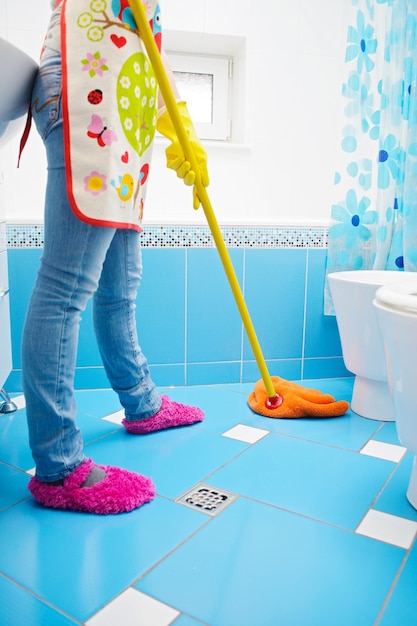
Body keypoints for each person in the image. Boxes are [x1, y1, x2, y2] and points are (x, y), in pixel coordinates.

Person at [21, 0, 209, 515]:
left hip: (119, 106)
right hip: (89, 94)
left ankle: (142, 401)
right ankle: (59, 467)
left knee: (120, 281)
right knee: (66, 285)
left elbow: (145, 49)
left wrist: (181, 133)